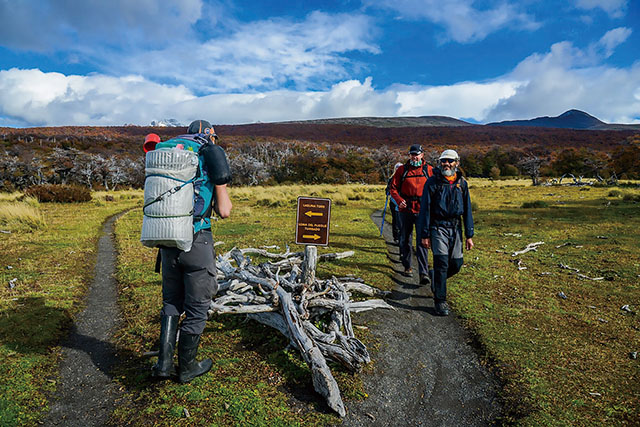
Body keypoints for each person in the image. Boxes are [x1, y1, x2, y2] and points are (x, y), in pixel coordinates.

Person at [152, 119, 232, 383]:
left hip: (166, 238)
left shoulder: (169, 154)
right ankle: (187, 367)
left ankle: (163, 365)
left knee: (171, 301)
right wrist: (220, 188)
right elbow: (224, 211)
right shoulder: (208, 156)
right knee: (197, 307)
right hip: (197, 239)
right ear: (210, 136)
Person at [418, 149, 474, 316]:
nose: (446, 164)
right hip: (438, 227)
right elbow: (425, 211)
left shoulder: (462, 184)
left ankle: (436, 277)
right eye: (444, 161)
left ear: (456, 163)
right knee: (441, 263)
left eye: (450, 161)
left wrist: (469, 235)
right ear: (440, 163)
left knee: (456, 264)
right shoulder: (432, 183)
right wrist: (424, 235)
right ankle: (440, 301)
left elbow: (468, 210)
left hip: (456, 228)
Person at [389, 144, 433, 283]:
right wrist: (399, 200)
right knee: (405, 239)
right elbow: (393, 187)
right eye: (412, 154)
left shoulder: (429, 170)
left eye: (417, 154)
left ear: (422, 155)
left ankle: (423, 272)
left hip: (422, 210)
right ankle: (407, 265)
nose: (415, 157)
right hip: (405, 210)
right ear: (409, 156)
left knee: (422, 241)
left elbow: (436, 187)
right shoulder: (402, 170)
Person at [385, 162, 404, 243]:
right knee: (395, 219)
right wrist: (388, 192)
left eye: (400, 167)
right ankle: (396, 237)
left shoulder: (404, 178)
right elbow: (387, 189)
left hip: (402, 201)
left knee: (402, 220)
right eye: (397, 168)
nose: (398, 169)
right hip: (393, 202)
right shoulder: (391, 179)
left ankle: (402, 237)